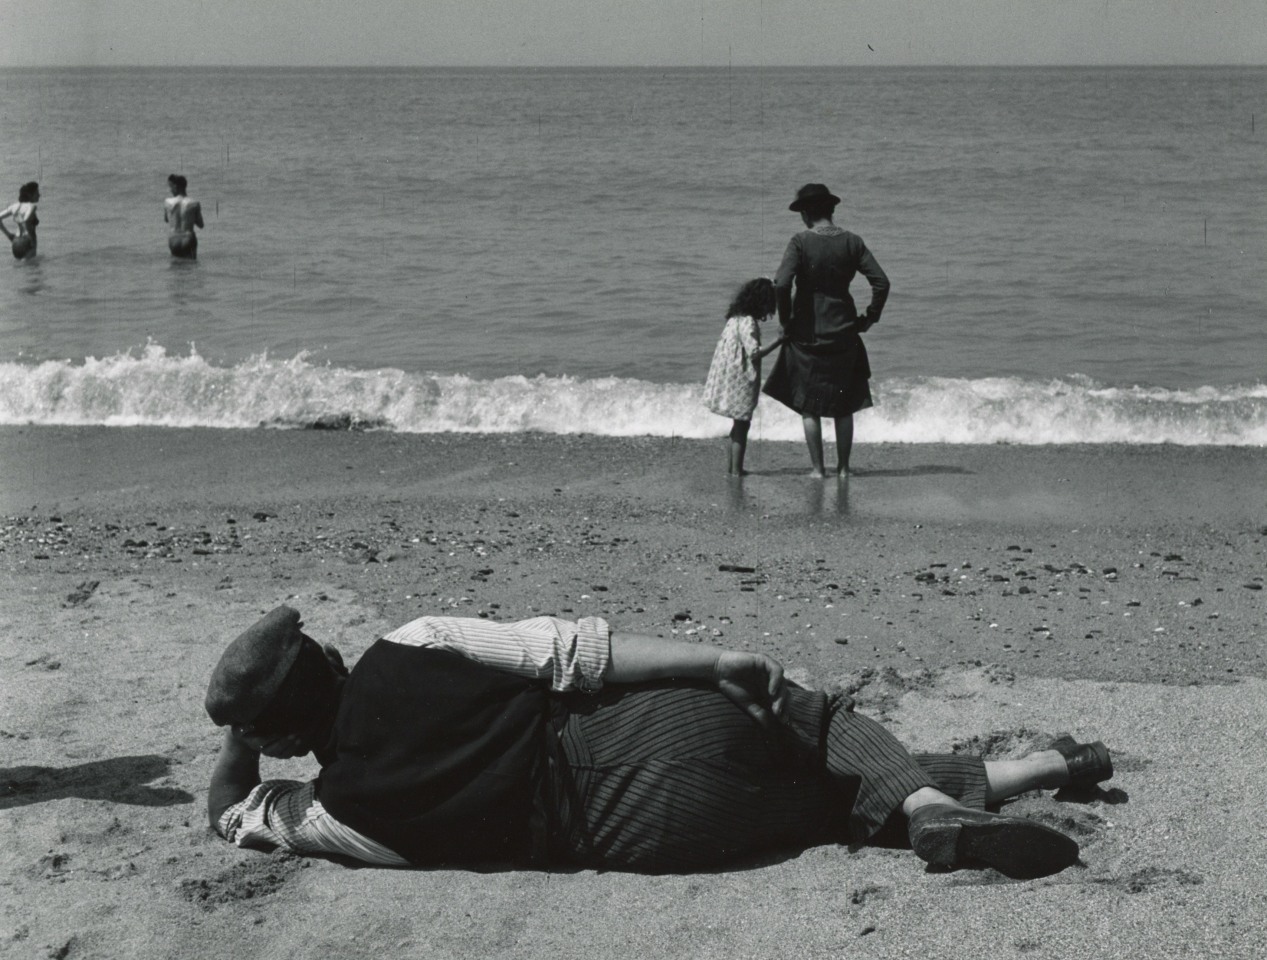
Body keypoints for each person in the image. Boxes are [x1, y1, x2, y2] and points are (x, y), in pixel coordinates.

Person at [205, 605, 1114, 878]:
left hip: (644, 827)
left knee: (822, 806)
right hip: (642, 723)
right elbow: (576, 653)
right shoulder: (413, 643)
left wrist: (241, 744)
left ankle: (1029, 771)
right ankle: (934, 799)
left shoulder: (336, 813)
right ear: (328, 657)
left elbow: (232, 813)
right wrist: (715, 660)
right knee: (816, 726)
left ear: (277, 736)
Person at [763, 183, 890, 477]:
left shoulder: (800, 242)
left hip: (807, 334)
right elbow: (882, 283)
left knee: (810, 406)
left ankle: (818, 470)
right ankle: (844, 469)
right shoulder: (852, 242)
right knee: (844, 405)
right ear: (831, 210)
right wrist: (870, 318)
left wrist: (786, 321)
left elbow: (782, 284)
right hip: (844, 330)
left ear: (807, 213)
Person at [702, 277, 784, 476]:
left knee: (737, 425)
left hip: (728, 376)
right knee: (742, 425)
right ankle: (737, 470)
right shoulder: (748, 322)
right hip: (740, 379)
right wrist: (779, 340)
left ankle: (732, 468)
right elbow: (754, 352)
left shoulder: (735, 318)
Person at [164, 174, 203, 259]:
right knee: (191, 264)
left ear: (175, 187)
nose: (170, 190)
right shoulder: (194, 203)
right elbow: (201, 225)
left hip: (173, 239)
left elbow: (166, 219)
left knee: (175, 264)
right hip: (188, 239)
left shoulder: (167, 202)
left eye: (171, 187)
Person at [0, 181, 40, 259]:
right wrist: (31, 238)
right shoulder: (32, 206)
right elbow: (26, 220)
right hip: (28, 241)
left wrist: (9, 235)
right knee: (31, 265)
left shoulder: (14, 206)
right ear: (30, 195)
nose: (39, 195)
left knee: (21, 265)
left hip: (16, 242)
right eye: (37, 193)